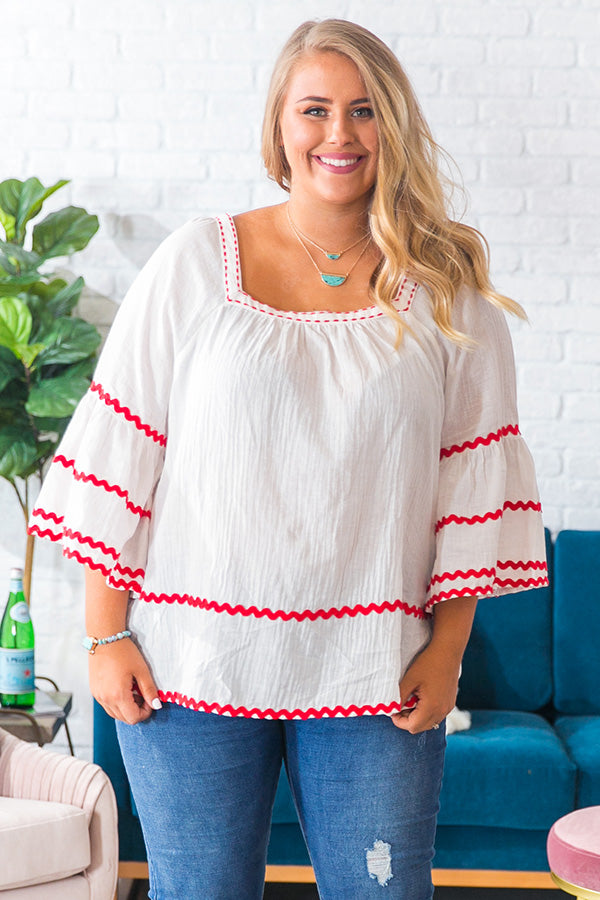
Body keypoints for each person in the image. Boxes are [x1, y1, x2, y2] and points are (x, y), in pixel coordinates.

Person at [29, 19, 548, 900]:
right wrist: (105, 634)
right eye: (315, 109)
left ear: (394, 124)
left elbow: (468, 478)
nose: (339, 133)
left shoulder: (446, 284)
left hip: (377, 670)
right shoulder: (196, 263)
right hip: (190, 665)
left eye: (364, 110)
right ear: (279, 125)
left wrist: (449, 649)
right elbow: (127, 447)